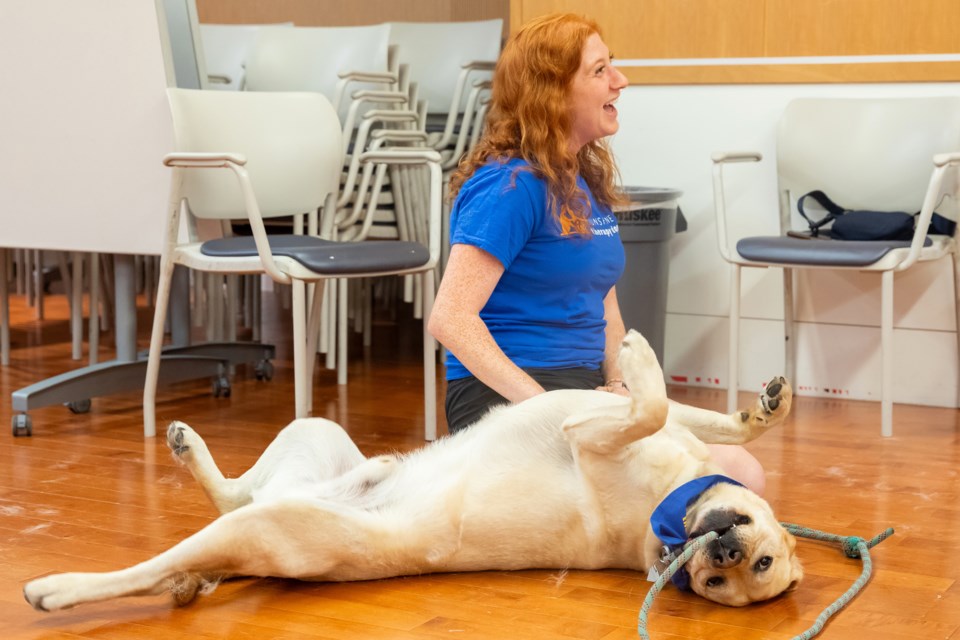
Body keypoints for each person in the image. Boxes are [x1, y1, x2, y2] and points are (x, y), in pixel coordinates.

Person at [427, 13, 765, 495]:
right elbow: (451, 319)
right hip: (509, 399)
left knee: (740, 469)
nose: (620, 81)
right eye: (600, 70)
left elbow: (605, 304)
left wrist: (620, 382)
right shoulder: (510, 186)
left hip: (581, 391)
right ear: (554, 93)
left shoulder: (583, 180)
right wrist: (546, 412)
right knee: (726, 475)